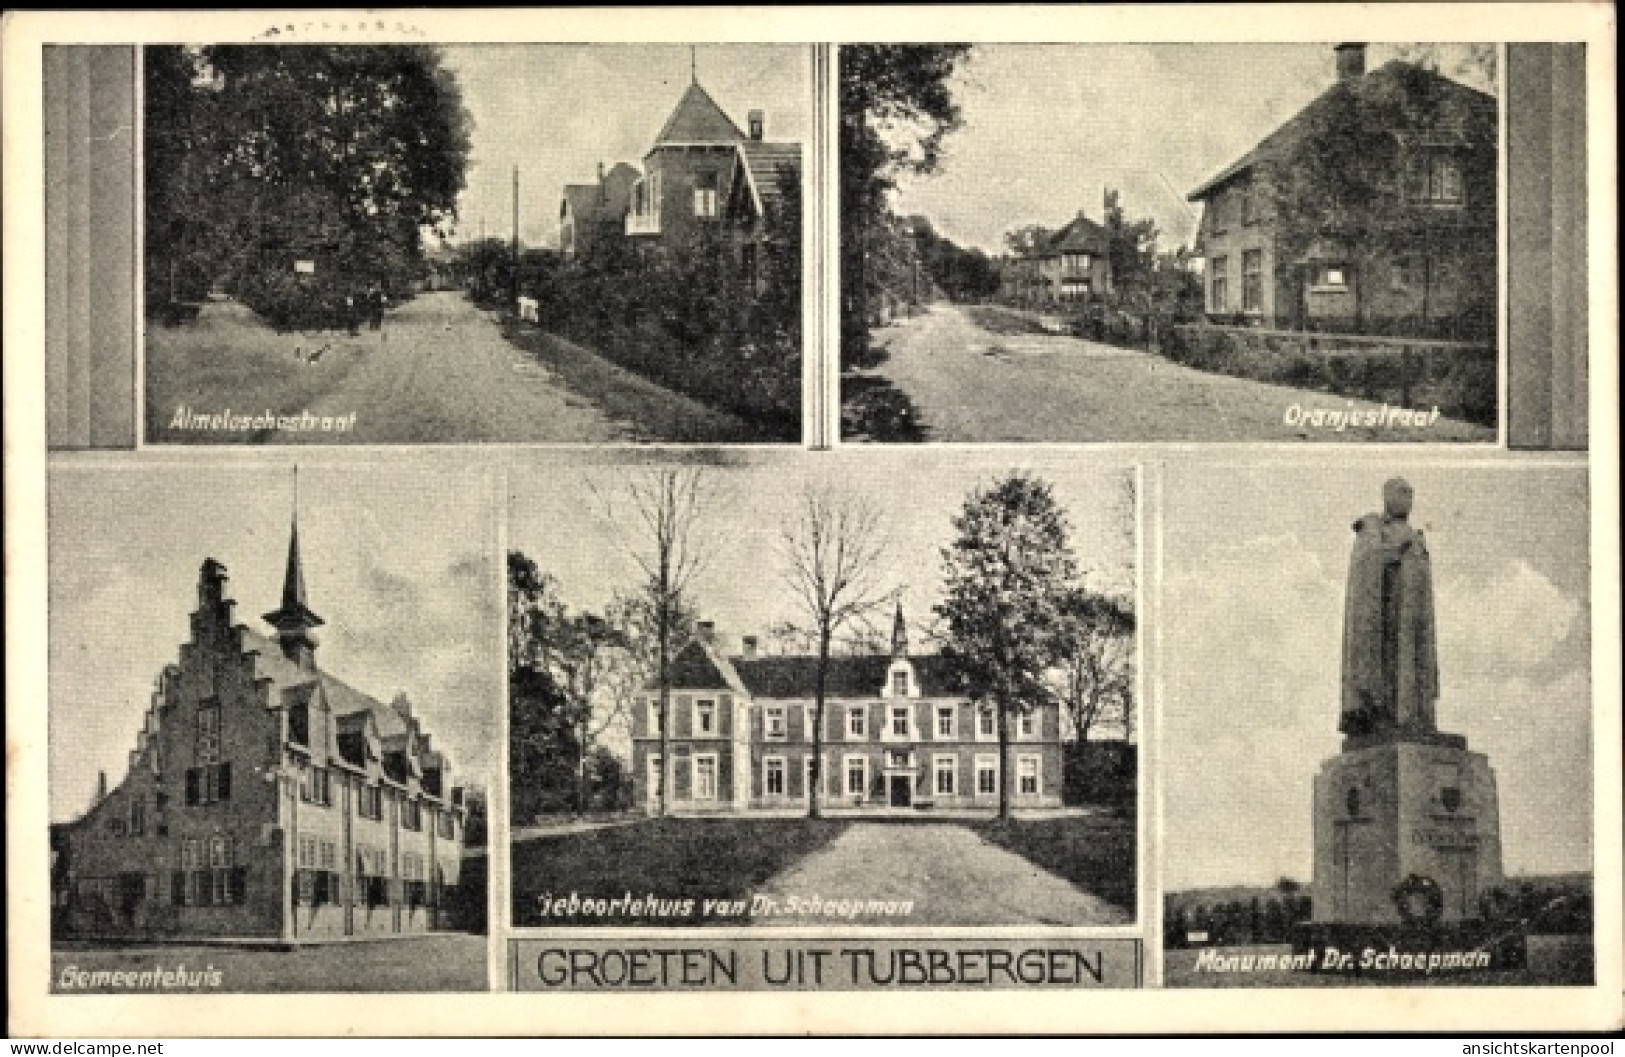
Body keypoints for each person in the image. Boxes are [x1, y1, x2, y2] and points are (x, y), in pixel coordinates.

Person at [1339, 478, 1440, 738]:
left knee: (1416, 661)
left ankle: (1417, 716)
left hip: (1415, 615)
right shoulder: (1374, 527)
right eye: (1401, 493)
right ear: (1387, 497)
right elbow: (1368, 561)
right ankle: (1387, 714)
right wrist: (1396, 550)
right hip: (1386, 615)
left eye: (1410, 493)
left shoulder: (1416, 535)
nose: (1407, 498)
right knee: (1392, 661)